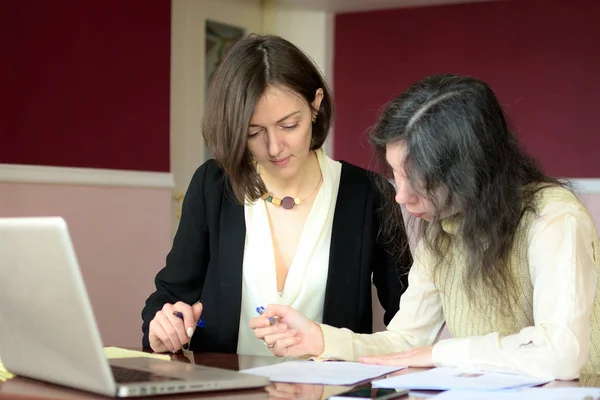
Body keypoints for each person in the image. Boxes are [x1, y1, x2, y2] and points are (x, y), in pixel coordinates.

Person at [251, 73, 600, 379]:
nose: (401, 197)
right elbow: (406, 342)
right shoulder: (443, 227)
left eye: (419, 181)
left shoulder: (553, 218)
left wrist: (441, 355)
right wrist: (320, 339)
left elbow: (560, 354)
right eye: (396, 175)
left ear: (470, 171)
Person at [141, 34, 412, 355]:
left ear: (315, 104)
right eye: (254, 132)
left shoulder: (369, 195)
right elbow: (169, 297)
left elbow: (407, 320)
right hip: (228, 388)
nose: (273, 148)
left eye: (288, 125)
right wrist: (164, 327)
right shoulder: (212, 185)